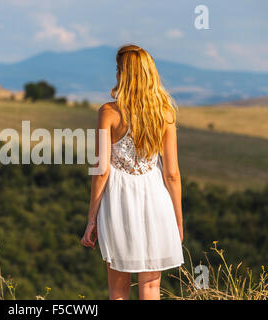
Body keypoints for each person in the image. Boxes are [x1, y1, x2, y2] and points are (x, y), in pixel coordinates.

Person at [81, 44, 184, 300]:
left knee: (118, 289)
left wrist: (91, 220)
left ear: (122, 75)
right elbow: (172, 174)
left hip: (118, 202)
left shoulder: (108, 113)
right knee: (151, 287)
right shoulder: (165, 113)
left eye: (118, 70)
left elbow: (101, 171)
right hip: (157, 201)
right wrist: (178, 220)